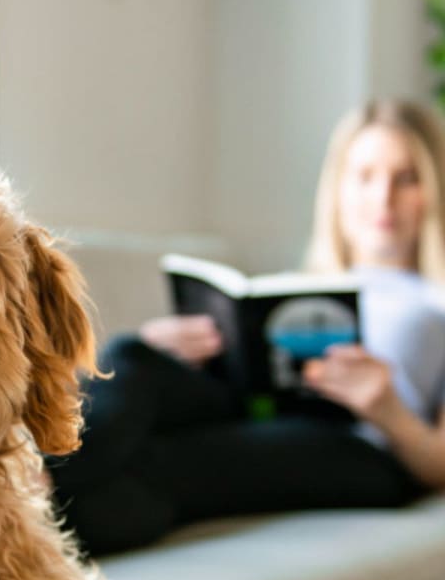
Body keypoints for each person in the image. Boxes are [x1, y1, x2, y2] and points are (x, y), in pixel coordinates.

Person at [46, 99, 445, 556]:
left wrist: (386, 408)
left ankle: (21, 501)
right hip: (256, 410)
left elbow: (440, 465)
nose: (383, 199)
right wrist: (180, 353)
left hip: (363, 447)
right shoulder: (301, 285)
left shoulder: (437, 300)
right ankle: (32, 480)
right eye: (365, 177)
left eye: (407, 178)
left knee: (163, 465)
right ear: (338, 190)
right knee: (133, 357)